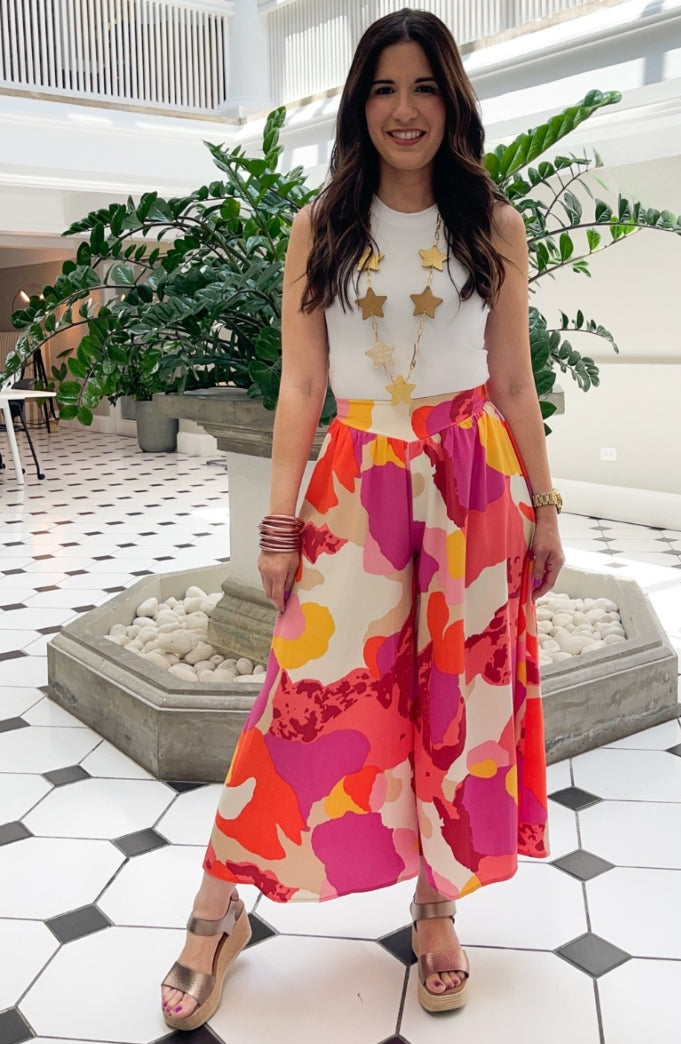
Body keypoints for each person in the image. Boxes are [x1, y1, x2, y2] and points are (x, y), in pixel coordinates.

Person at [161, 6, 564, 1028]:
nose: (404, 108)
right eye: (384, 88)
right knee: (308, 694)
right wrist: (278, 526)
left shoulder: (492, 224)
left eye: (424, 86)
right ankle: (217, 910)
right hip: (357, 485)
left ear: (452, 100)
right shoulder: (322, 225)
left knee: (454, 705)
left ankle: (436, 905)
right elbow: (302, 386)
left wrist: (546, 508)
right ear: (359, 104)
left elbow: (513, 382)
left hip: (473, 486)